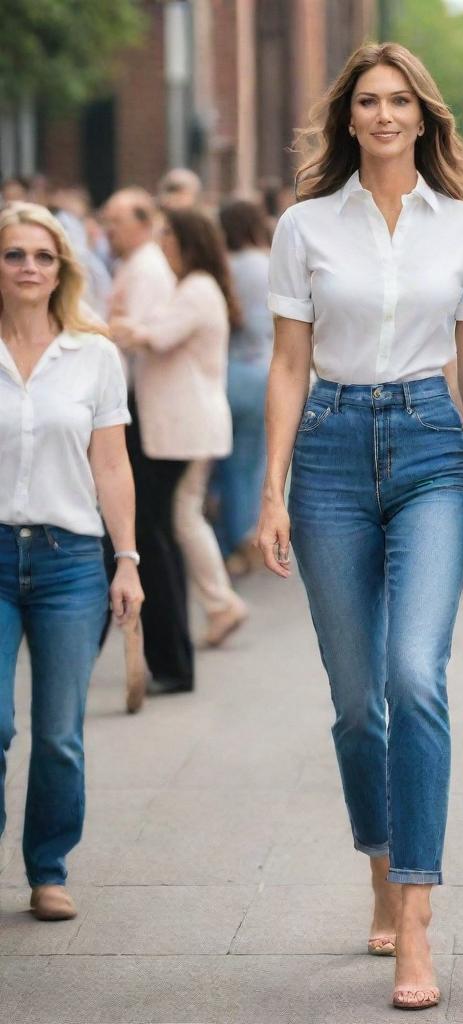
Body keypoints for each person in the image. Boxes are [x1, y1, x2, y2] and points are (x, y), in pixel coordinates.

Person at [256, 43, 463, 1011]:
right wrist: (268, 490)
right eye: (370, 101)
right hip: (327, 446)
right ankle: (380, 853)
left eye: (402, 101)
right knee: (358, 700)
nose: (386, 115)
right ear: (347, 118)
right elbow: (285, 364)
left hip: (432, 443)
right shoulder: (303, 226)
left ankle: (416, 918)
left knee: (414, 677)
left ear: (423, 117)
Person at [0, 203, 143, 921]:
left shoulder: (94, 354)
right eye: (15, 255)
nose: (29, 268)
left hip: (70, 563)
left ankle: (48, 868)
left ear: (62, 269)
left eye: (43, 257)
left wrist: (127, 560)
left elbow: (112, 465)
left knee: (58, 733)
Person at [111, 208, 247, 671]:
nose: (161, 241)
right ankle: (219, 602)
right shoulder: (194, 287)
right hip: (189, 423)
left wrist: (119, 328)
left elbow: (158, 336)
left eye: (168, 234)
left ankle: (221, 601)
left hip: (187, 425)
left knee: (182, 519)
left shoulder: (197, 288)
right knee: (185, 516)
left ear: (187, 241)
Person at [215, 199, 273, 573]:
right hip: (263, 368)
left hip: (226, 369)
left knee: (227, 463)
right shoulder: (267, 264)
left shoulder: (223, 267)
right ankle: (249, 530)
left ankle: (233, 539)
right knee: (254, 461)